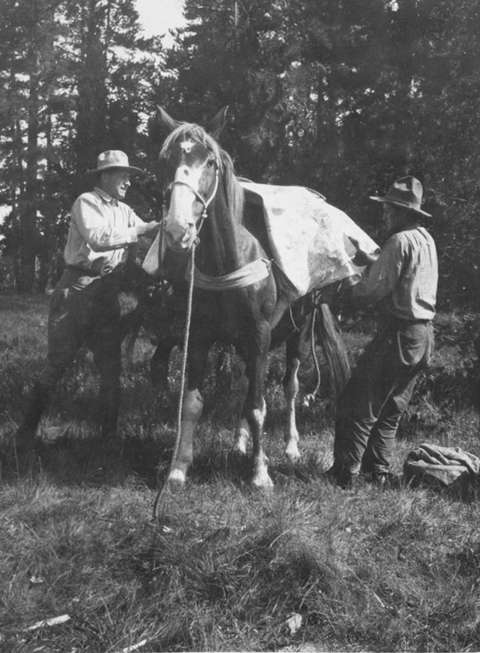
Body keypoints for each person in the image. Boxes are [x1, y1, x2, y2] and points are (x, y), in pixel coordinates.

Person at [15, 150, 159, 457]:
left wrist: (171, 226)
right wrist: (142, 230)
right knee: (57, 364)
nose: (128, 182)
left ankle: (108, 439)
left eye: (129, 176)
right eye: (122, 175)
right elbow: (98, 239)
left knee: (110, 367)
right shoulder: (86, 203)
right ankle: (25, 434)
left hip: (107, 296)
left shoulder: (124, 210)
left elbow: (147, 229)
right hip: (77, 292)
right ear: (104, 176)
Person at [329, 176, 438, 487]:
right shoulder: (425, 239)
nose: (385, 215)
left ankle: (345, 475)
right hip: (423, 335)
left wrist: (347, 279)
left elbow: (369, 292)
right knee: (391, 408)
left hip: (399, 335)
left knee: (358, 401)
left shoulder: (398, 241)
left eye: (390, 210)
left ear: (403, 213)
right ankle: (377, 473)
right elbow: (405, 272)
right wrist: (375, 261)